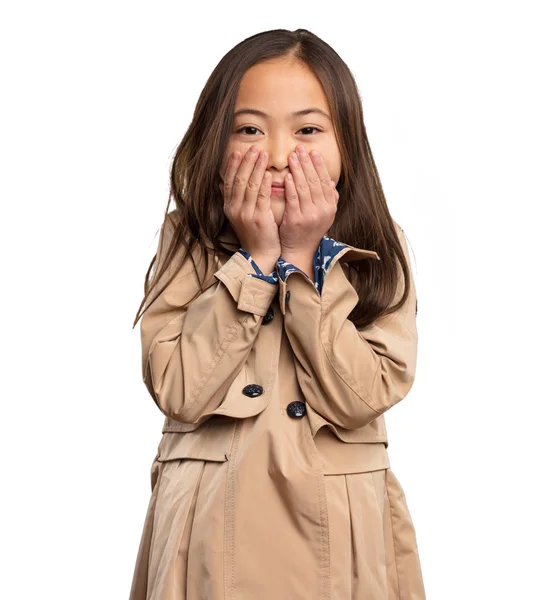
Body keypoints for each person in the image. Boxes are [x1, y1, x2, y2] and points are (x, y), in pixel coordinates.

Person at [128, 28, 426, 600]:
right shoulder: (187, 241)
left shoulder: (380, 249)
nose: (281, 156)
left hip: (341, 535)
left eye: (309, 130)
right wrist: (257, 260)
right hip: (209, 533)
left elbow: (362, 397)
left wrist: (303, 263)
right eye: (249, 130)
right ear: (217, 145)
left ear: (347, 148)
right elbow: (181, 389)